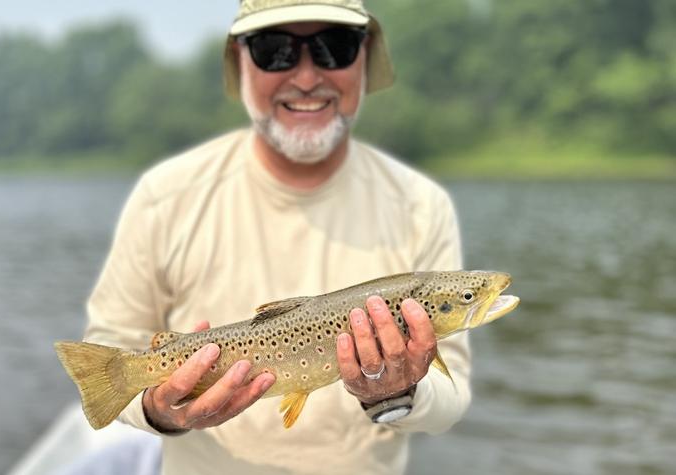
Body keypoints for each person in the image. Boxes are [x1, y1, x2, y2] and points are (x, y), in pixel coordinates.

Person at [84, 1, 472, 474]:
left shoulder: (422, 205)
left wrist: (399, 391)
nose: (307, 78)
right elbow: (108, 351)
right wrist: (160, 409)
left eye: (334, 47)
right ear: (240, 61)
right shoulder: (164, 195)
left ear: (364, 57)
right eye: (275, 51)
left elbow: (451, 400)